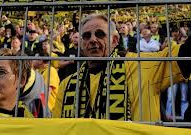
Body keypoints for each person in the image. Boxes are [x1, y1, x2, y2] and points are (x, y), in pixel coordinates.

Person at [53, 14, 191, 121]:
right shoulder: (66, 85)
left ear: (114, 41)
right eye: (87, 36)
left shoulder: (141, 66)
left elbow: (185, 54)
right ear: (81, 44)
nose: (93, 40)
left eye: (100, 34)